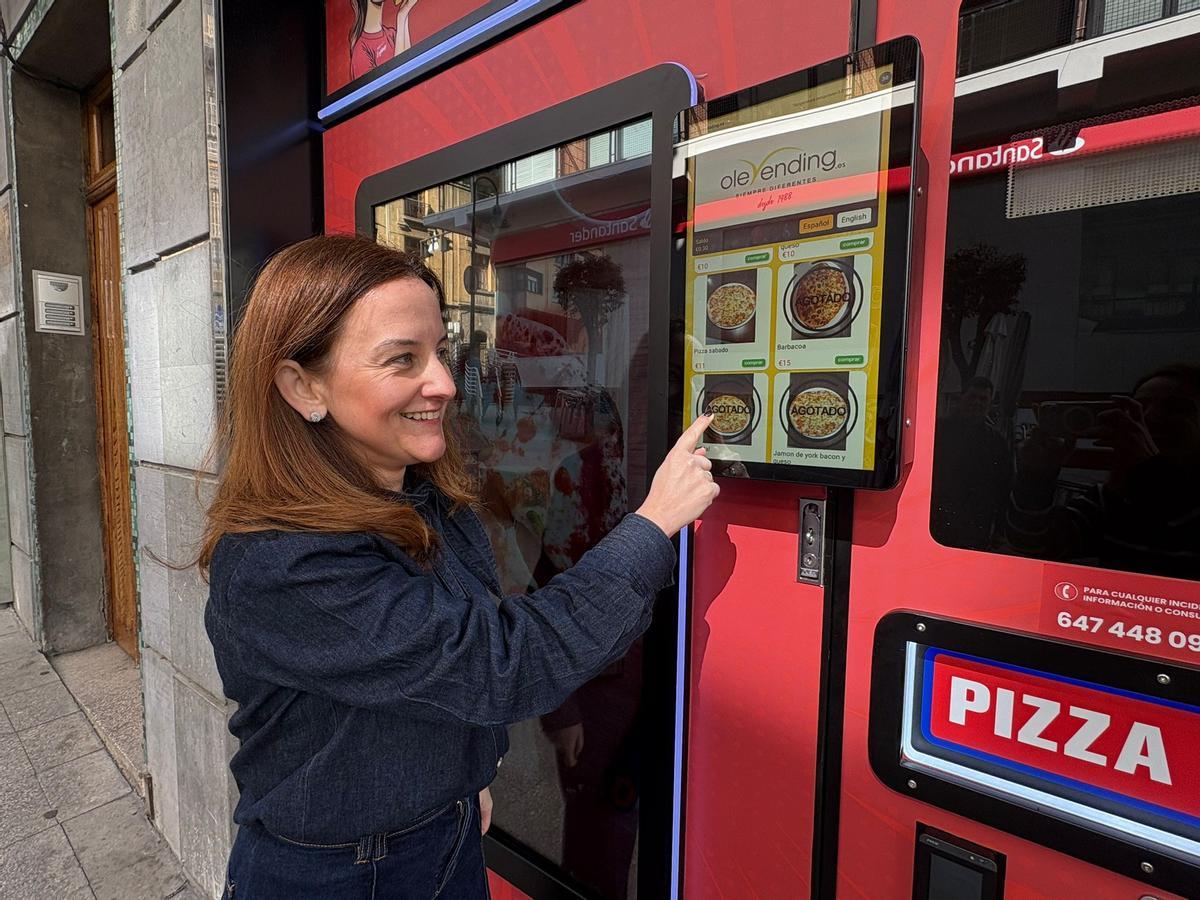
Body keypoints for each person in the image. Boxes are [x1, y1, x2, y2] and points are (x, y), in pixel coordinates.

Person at [200, 234, 718, 899]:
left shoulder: (418, 493)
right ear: (303, 386)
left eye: (441, 351)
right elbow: (499, 662)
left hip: (437, 837)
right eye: (402, 360)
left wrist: (458, 775)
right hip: (339, 876)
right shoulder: (285, 562)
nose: (444, 382)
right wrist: (654, 526)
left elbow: (431, 664)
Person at [1007, 364, 1200, 579]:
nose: (1151, 417)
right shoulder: (1111, 499)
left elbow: (1181, 521)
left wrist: (1150, 470)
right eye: (1139, 408)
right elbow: (1032, 546)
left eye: (1175, 408)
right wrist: (1036, 477)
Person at [930, 375, 1012, 550]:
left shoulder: (997, 441)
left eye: (983, 399)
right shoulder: (937, 430)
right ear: (962, 397)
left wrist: (999, 529)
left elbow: (1004, 488)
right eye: (972, 397)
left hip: (976, 524)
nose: (977, 402)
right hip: (936, 519)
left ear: (990, 403)